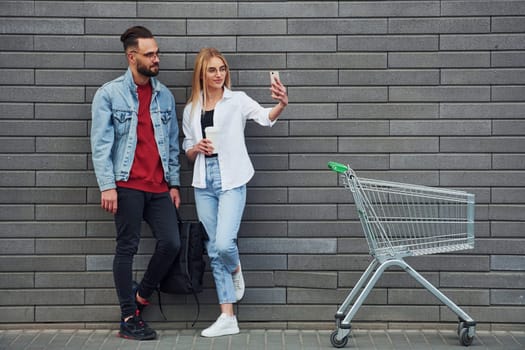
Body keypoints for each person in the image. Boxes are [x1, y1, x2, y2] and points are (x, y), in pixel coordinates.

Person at [182, 48, 288, 337]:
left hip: (231, 179)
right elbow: (187, 148)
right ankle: (227, 317)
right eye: (213, 70)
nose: (219, 75)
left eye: (222, 69)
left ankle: (236, 267)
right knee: (212, 250)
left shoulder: (237, 100)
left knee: (224, 245)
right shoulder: (191, 108)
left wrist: (281, 103)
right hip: (204, 181)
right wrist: (196, 149)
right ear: (201, 74)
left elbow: (266, 117)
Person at [90, 26, 181, 341]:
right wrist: (107, 185)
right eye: (149, 54)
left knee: (172, 242)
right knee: (126, 247)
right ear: (132, 57)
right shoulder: (109, 94)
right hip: (126, 184)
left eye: (157, 53)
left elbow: (170, 145)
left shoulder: (164, 95)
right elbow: (101, 144)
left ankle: (141, 296)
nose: (156, 59)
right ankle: (129, 317)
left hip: (158, 187)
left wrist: (174, 185)